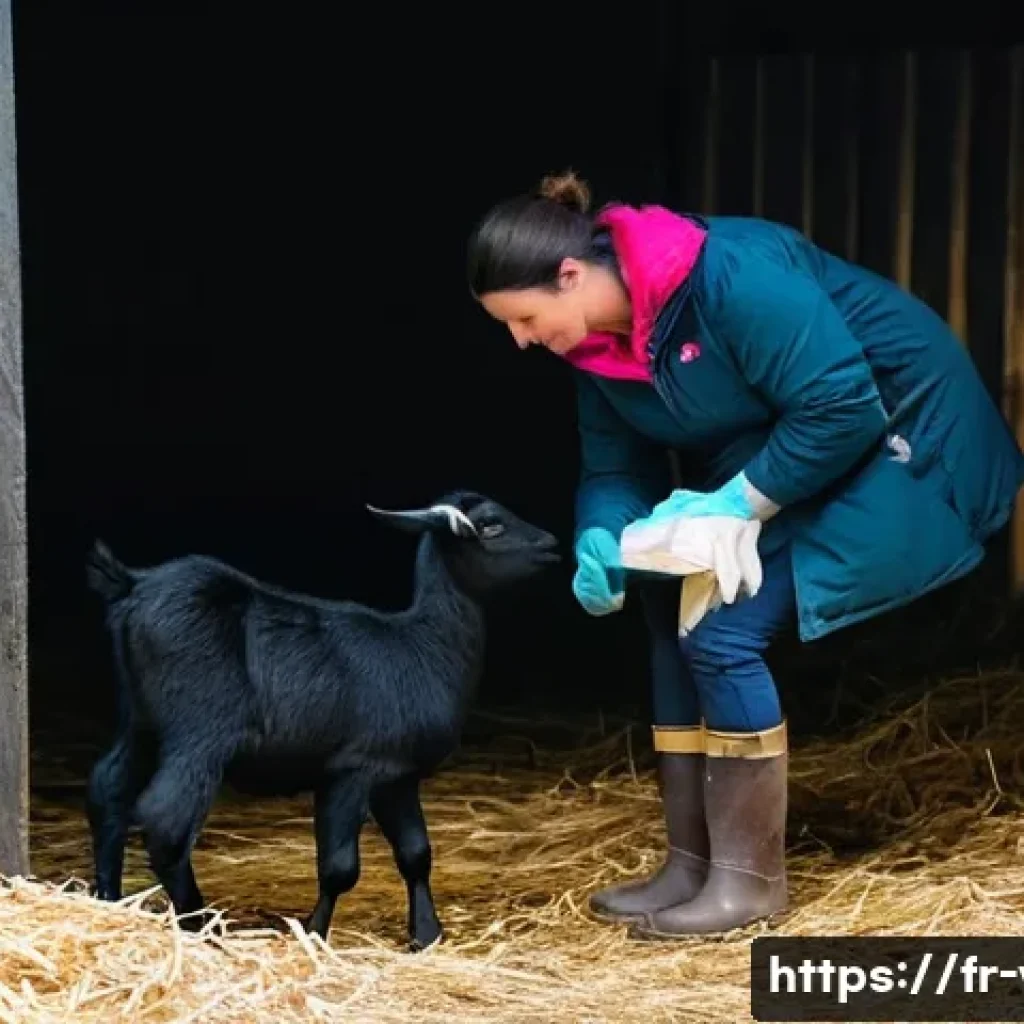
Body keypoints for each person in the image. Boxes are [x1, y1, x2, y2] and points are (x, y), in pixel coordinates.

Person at [465, 169, 1024, 939]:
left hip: (903, 427)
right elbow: (614, 468)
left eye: (524, 318)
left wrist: (737, 503)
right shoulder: (595, 348)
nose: (521, 340)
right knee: (669, 604)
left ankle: (748, 884)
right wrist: (603, 533)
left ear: (570, 275)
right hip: (792, 441)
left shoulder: (727, 275)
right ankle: (690, 864)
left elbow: (839, 403)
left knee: (724, 628)